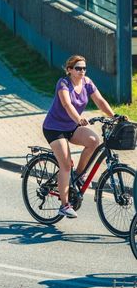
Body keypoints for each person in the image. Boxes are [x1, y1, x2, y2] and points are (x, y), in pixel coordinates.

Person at [43, 55, 116, 219]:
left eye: (84, 68)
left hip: (72, 127)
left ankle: (79, 175)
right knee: (65, 165)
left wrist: (114, 116)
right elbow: (66, 104)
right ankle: (64, 205)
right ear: (69, 70)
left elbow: (100, 101)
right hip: (54, 128)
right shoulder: (63, 83)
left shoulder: (87, 82)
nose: (82, 71)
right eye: (78, 68)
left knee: (94, 141)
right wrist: (78, 119)